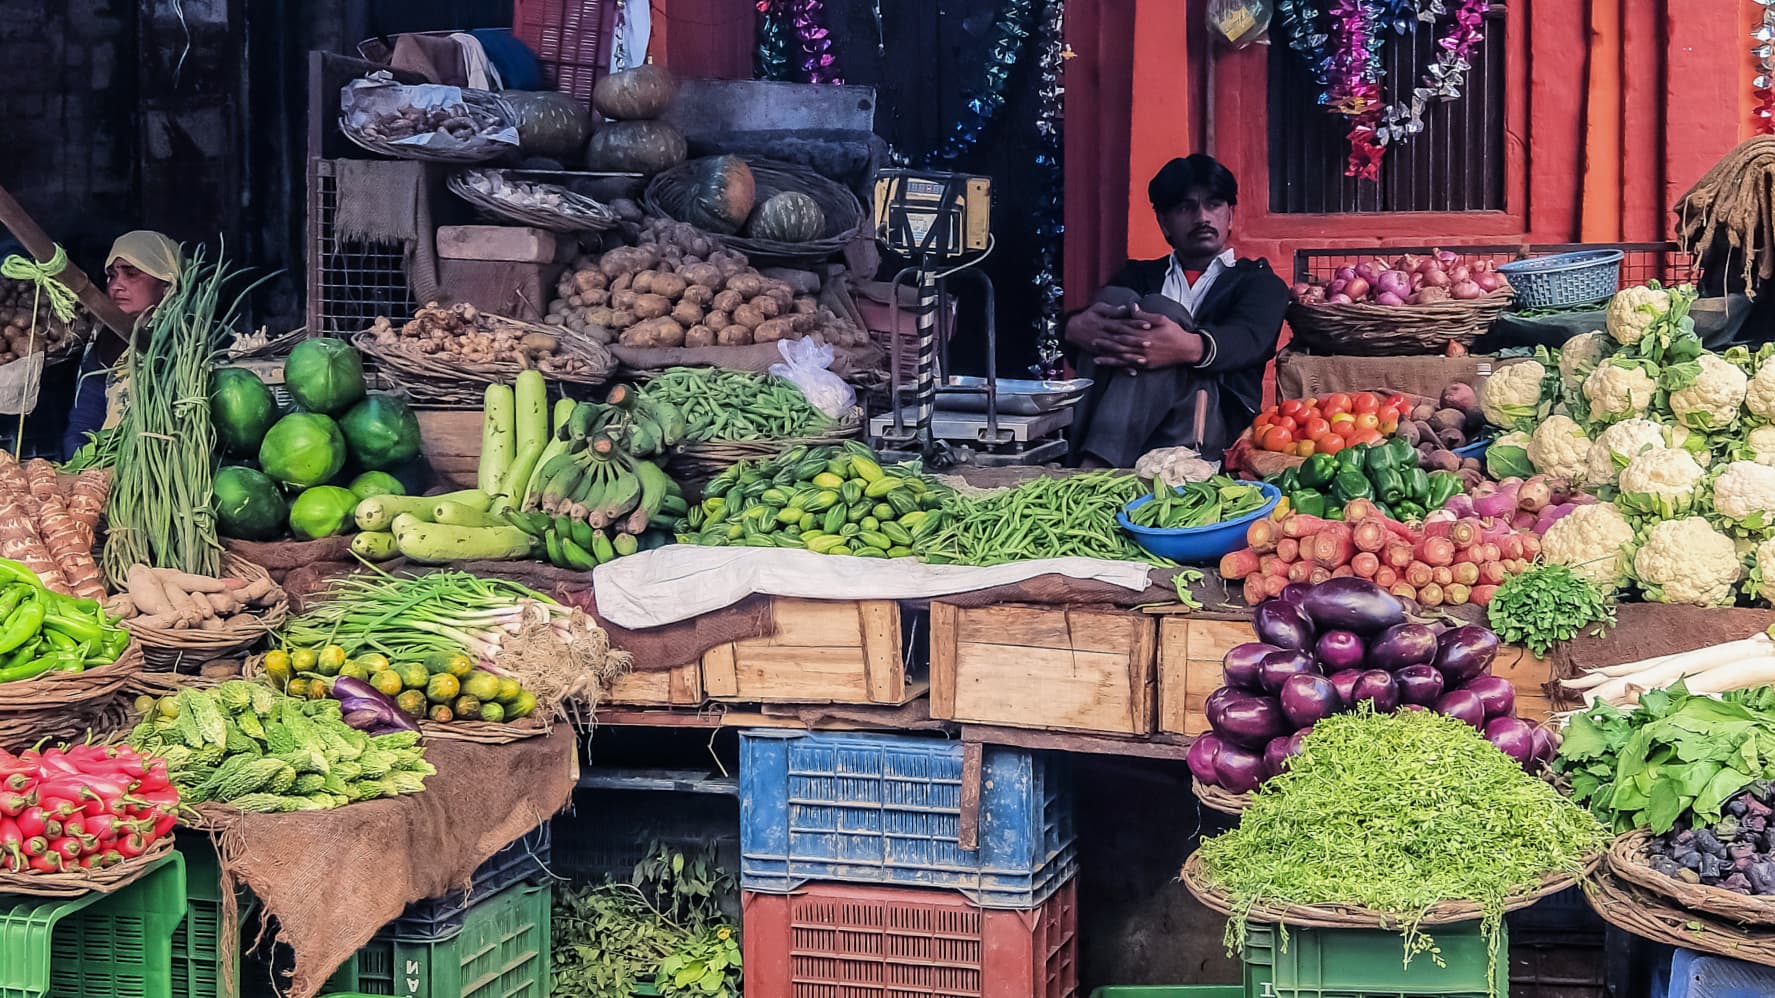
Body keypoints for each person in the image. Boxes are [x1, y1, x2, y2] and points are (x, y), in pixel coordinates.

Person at [1065, 154, 1290, 467]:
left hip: (1209, 426)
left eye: (1213, 205)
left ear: (1230, 215)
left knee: (1158, 310)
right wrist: (1073, 327)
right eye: (1186, 207)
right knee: (1114, 301)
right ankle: (1094, 458)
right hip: (1133, 420)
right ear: (1164, 221)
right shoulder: (1137, 277)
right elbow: (1092, 342)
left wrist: (1187, 347)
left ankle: (1094, 468)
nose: (1202, 217)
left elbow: (1250, 340)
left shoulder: (1258, 283)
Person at [62, 231, 182, 460]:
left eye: (131, 273)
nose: (117, 285)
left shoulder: (191, 346)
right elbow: (83, 423)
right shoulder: (107, 340)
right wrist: (85, 464)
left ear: (167, 283)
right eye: (111, 275)